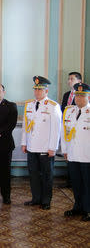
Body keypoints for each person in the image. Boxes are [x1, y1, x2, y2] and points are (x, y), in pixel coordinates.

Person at [21, 76, 61, 210]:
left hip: (45, 147)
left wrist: (53, 148)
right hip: (32, 146)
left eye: (40, 90)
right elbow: (26, 126)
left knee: (46, 175)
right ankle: (36, 198)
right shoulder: (29, 105)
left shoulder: (53, 106)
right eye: (36, 89)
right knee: (33, 174)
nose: (37, 92)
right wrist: (24, 143)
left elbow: (56, 130)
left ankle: (46, 201)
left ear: (46, 91)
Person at [62, 82, 90, 222]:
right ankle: (77, 207)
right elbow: (64, 132)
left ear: (88, 97)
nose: (78, 98)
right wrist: (65, 150)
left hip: (87, 156)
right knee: (76, 183)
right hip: (73, 154)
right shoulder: (69, 111)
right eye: (77, 95)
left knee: (87, 184)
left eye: (82, 96)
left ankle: (88, 210)